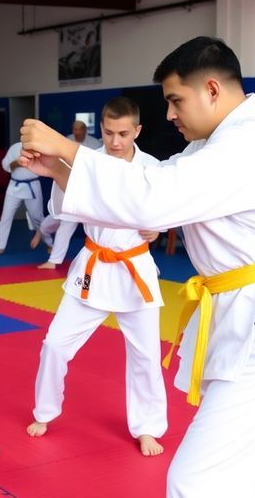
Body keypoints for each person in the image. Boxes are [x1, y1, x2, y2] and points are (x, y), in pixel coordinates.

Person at [18, 37, 255, 498]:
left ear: (211, 89)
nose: (169, 115)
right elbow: (144, 187)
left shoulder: (252, 143)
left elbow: (155, 199)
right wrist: (61, 171)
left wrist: (71, 150)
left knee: (196, 483)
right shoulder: (212, 146)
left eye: (175, 100)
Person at [26, 97, 168, 457]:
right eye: (108, 133)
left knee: (146, 356)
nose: (115, 141)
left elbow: (167, 208)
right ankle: (45, 411)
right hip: (94, 266)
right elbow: (61, 209)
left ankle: (148, 428)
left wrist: (158, 228)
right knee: (55, 344)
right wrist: (57, 171)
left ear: (137, 130)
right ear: (100, 129)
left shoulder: (155, 169)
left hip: (134, 269)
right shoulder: (88, 162)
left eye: (123, 133)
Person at [0, 142, 51, 256]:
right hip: (15, 186)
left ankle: (49, 243)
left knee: (37, 217)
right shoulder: (15, 148)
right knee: (6, 217)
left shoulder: (39, 149)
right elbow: (6, 166)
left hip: (32, 185)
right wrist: (17, 163)